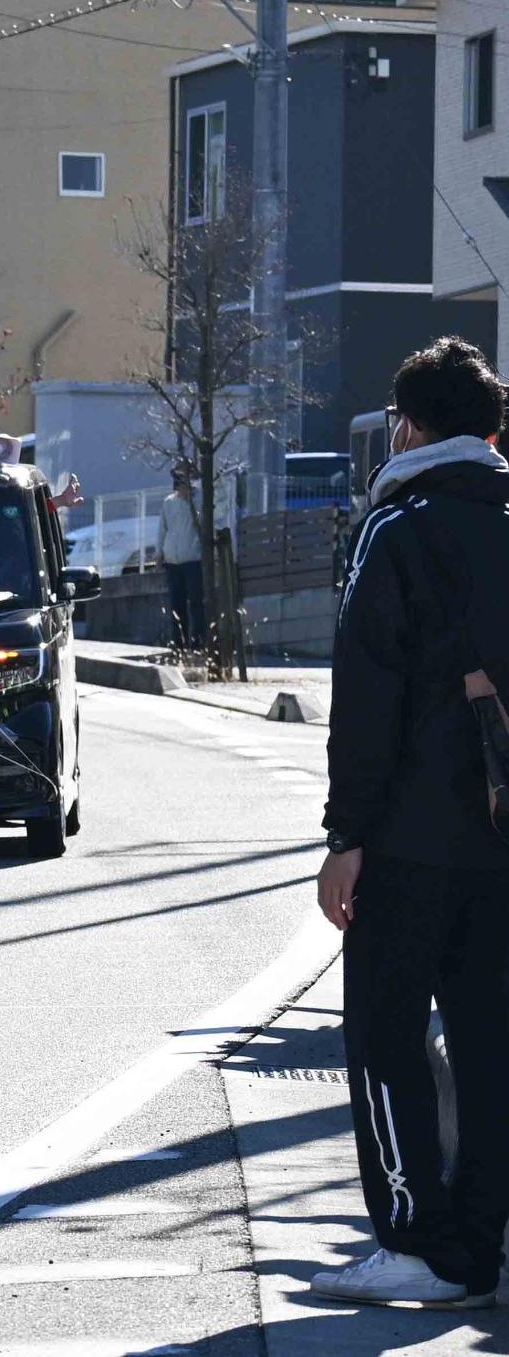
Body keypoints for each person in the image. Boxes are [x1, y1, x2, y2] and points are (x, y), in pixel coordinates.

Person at [312, 335, 509, 1309]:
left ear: (409, 427)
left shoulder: (396, 530)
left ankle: (413, 1238)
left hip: (407, 837)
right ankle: (479, 1246)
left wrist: (343, 838)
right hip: (500, 839)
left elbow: (365, 701)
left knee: (386, 1040)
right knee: (488, 1042)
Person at [158, 472, 204, 649]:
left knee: (196, 602)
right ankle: (179, 643)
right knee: (176, 604)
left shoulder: (198, 501)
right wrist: (159, 553)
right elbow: (162, 529)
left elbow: (202, 525)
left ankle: (198, 642)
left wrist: (190, 502)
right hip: (172, 560)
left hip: (192, 558)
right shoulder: (169, 502)